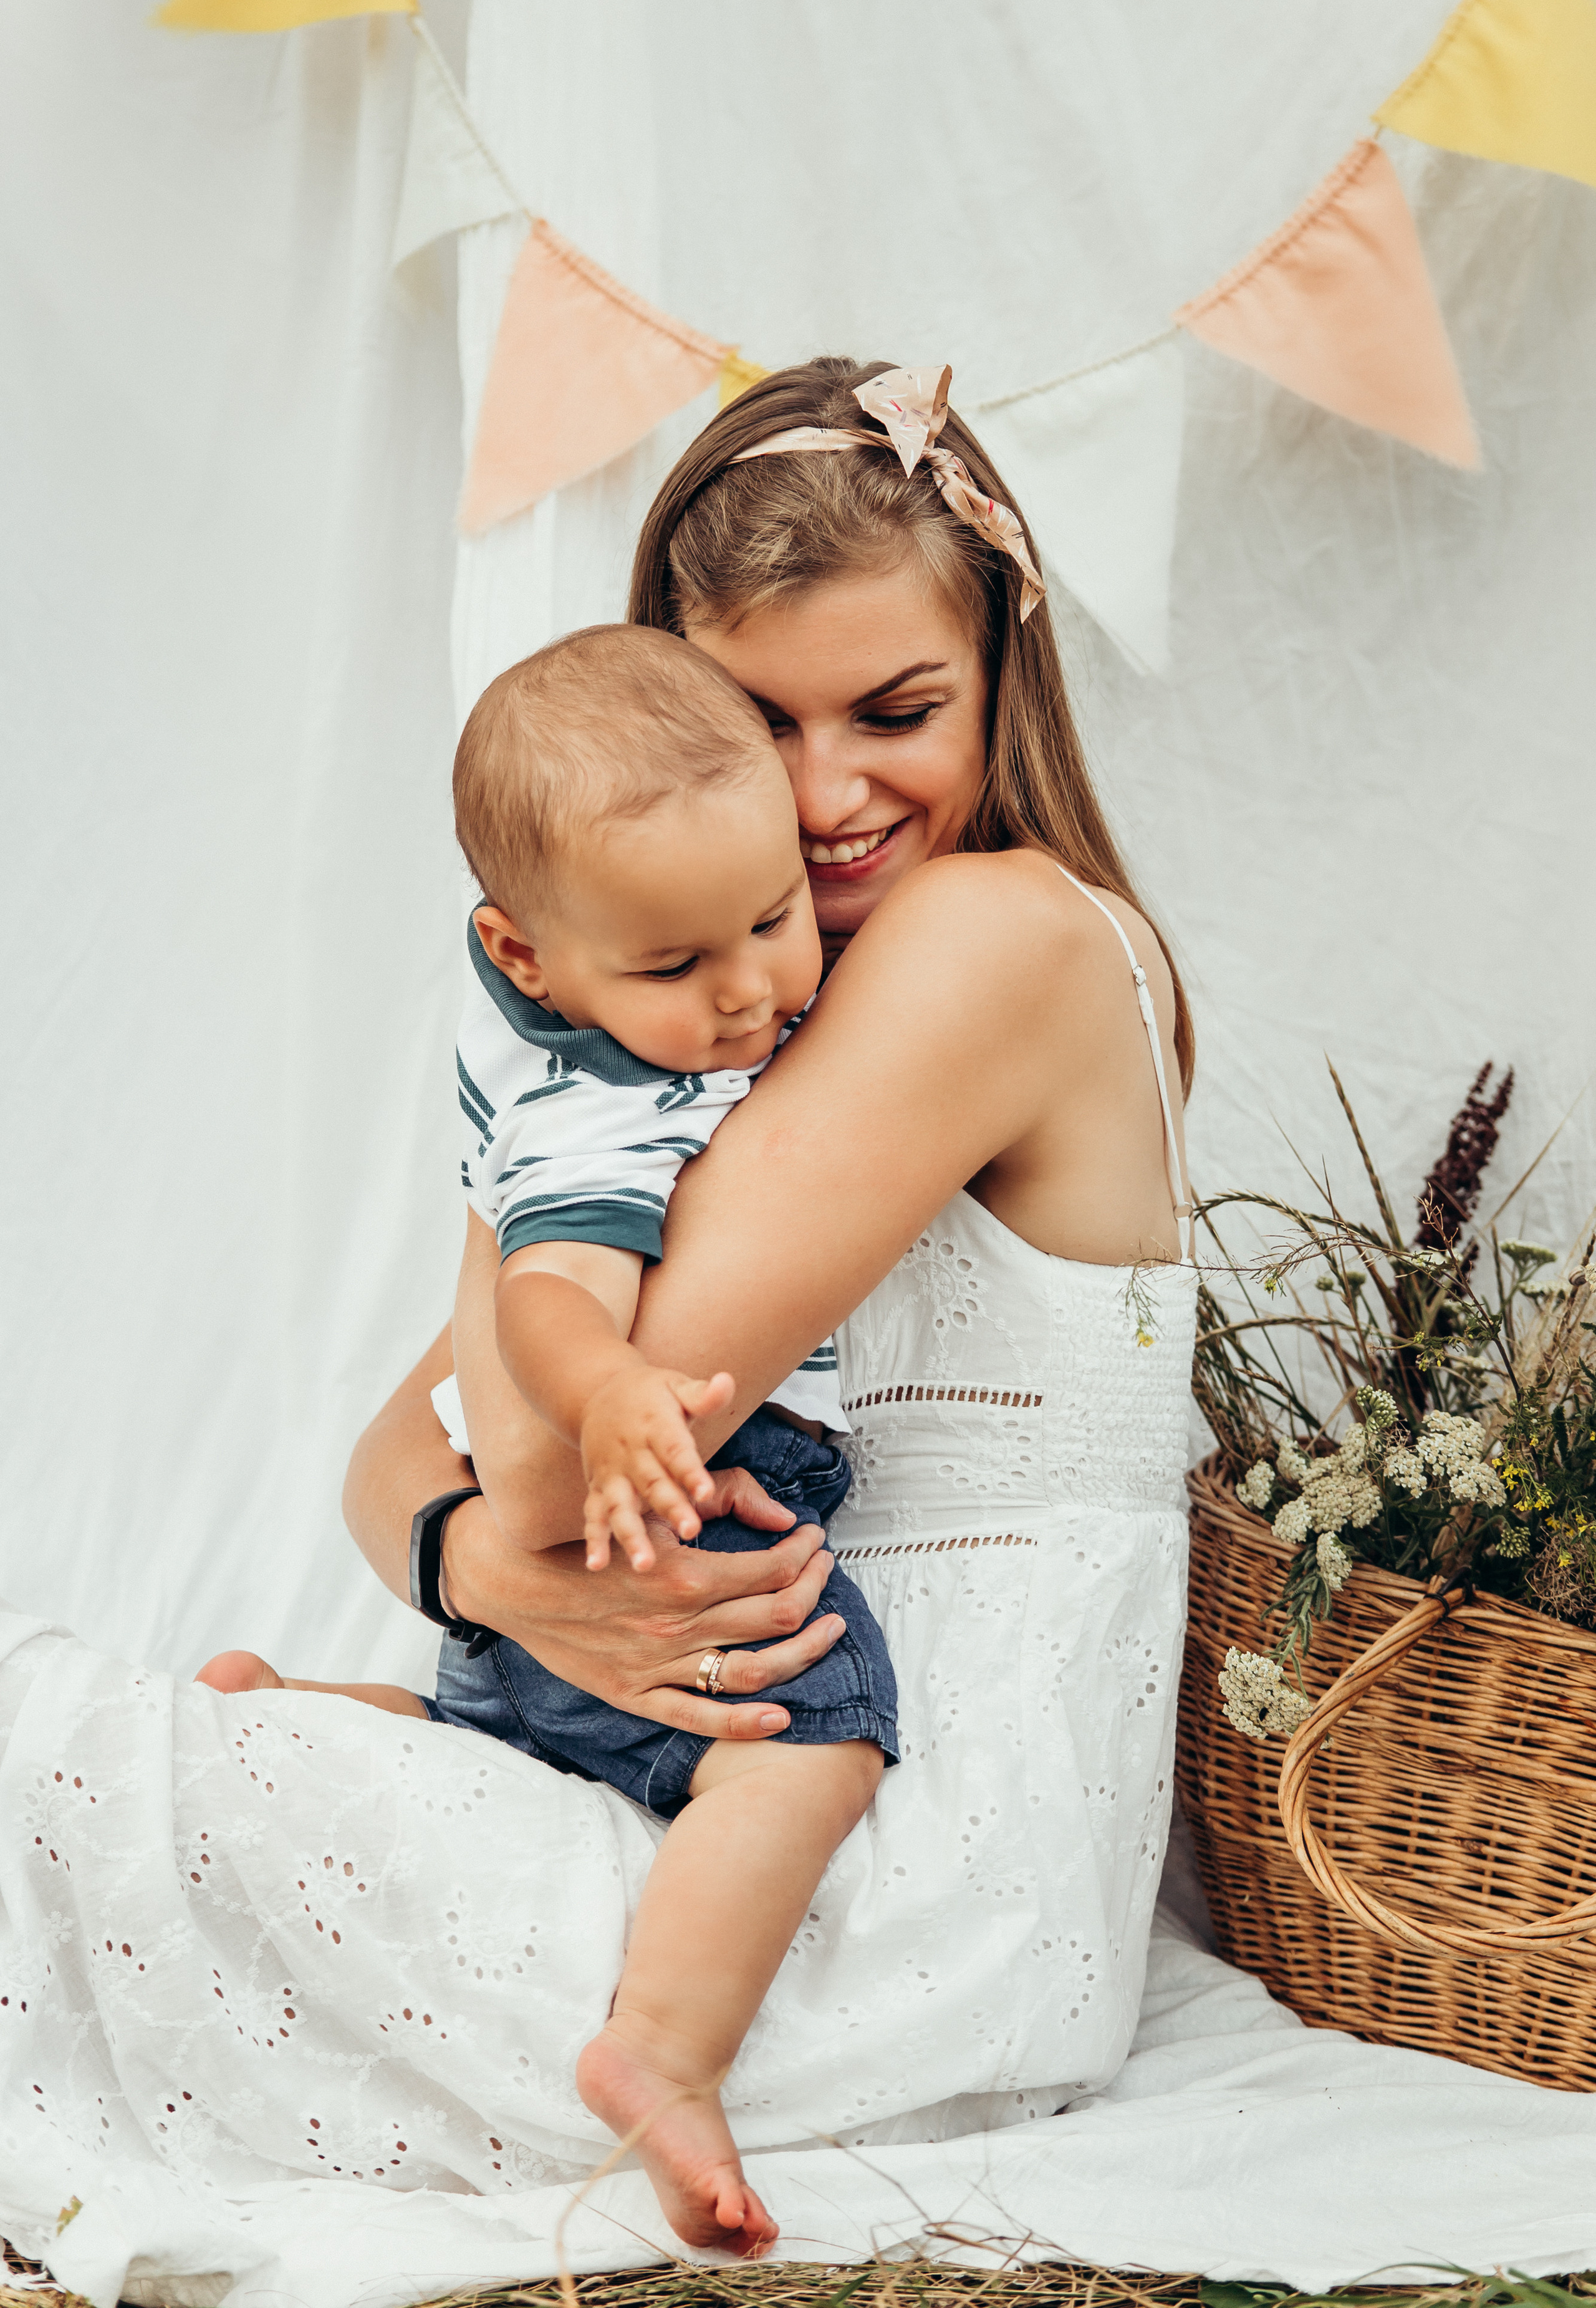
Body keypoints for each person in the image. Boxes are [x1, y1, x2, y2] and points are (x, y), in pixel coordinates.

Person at [203, 355, 1198, 2252]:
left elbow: (529, 1448)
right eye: (754, 722)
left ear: (1005, 671)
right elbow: (391, 1463)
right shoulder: (732, 1034)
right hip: (714, 1768)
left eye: (897, 711)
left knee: (85, 1806)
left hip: (899, 1852)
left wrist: (541, 1071)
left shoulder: (987, 940)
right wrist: (488, 1574)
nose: (824, 801)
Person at [206, 620, 901, 2256]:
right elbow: (543, 1300)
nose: (747, 992)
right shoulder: (600, 1104)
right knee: (824, 1720)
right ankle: (664, 2044)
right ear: (525, 961)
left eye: (775, 916)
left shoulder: (605, 985)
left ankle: (313, 1717)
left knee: (506, 1755)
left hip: (554, 1576)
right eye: (676, 968)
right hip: (676, 1510)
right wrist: (612, 1399)